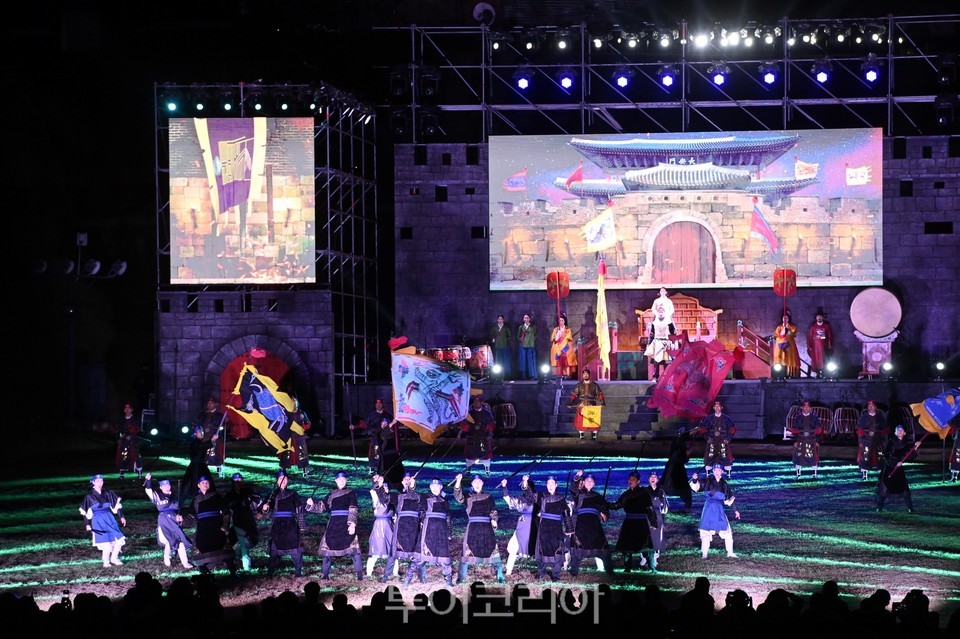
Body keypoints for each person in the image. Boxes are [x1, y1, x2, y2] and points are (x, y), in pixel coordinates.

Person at [306, 470, 364, 580]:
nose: (341, 481)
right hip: (333, 525)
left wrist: (352, 524)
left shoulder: (350, 493)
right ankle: (325, 575)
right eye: (339, 479)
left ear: (346, 481)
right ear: (335, 481)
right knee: (327, 550)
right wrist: (311, 504)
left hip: (346, 523)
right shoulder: (330, 494)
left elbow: (353, 509)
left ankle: (360, 574)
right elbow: (321, 507)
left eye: (343, 479)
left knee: (354, 550)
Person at [452, 473, 504, 584]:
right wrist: (458, 481)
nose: (477, 484)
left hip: (486, 527)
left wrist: (494, 520)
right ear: (472, 484)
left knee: (492, 550)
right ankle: (461, 577)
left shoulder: (488, 497)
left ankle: (500, 576)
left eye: (479, 482)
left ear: (482, 483)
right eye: (475, 482)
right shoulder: (468, 497)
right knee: (467, 552)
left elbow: (493, 510)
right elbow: (457, 496)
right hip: (473, 528)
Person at [374, 471, 425, 583]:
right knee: (393, 553)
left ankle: (422, 577)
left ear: (413, 481)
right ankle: (385, 576)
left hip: (414, 527)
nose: (407, 481)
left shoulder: (419, 497)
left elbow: (423, 511)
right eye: (405, 479)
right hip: (400, 527)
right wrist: (380, 485)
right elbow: (384, 498)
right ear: (402, 482)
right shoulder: (398, 496)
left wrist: (422, 523)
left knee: (417, 552)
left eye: (409, 479)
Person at [406, 477, 454, 587]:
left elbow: (448, 518)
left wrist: (449, 533)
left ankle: (448, 581)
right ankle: (407, 580)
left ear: (441, 487)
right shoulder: (424, 497)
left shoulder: (445, 501)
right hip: (428, 531)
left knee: (444, 557)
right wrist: (412, 485)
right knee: (419, 558)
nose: (435, 488)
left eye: (437, 486)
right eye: (433, 486)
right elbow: (412, 496)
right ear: (430, 487)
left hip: (441, 533)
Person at [523, 473, 571, 580]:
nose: (550, 486)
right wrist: (525, 482)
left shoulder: (560, 498)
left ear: (556, 485)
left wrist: (569, 528)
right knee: (542, 549)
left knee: (557, 549)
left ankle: (556, 575)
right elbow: (530, 495)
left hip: (556, 528)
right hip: (544, 527)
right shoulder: (541, 496)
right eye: (548, 483)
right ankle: (541, 573)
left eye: (552, 483)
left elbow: (566, 513)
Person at [607, 471, 656, 572]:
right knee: (626, 546)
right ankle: (627, 567)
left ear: (638, 481)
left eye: (633, 479)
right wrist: (605, 504)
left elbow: (650, 508)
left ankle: (652, 566)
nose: (630, 481)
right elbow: (617, 505)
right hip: (629, 523)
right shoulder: (626, 494)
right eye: (629, 479)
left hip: (641, 523)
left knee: (645, 545)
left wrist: (653, 522)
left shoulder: (643, 493)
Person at [261, 470, 308, 576]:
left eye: (285, 479)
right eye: (281, 479)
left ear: (288, 481)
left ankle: (298, 571)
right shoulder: (272, 494)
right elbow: (265, 511)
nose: (283, 481)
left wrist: (302, 526)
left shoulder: (293, 494)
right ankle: (270, 572)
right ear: (277, 481)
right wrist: (265, 508)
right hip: (277, 525)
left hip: (290, 524)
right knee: (274, 549)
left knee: (295, 548)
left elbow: (299, 510)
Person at [689, 464, 741, 558]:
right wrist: (695, 479)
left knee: (727, 531)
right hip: (708, 509)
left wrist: (736, 510)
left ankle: (730, 553)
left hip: (719, 509)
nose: (717, 472)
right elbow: (697, 487)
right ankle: (704, 554)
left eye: (719, 470)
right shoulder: (707, 481)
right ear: (713, 471)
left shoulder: (724, 484)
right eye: (715, 470)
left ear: (722, 472)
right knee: (705, 531)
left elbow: (729, 498)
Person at [191, 475, 238, 578]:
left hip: (216, 526)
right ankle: (204, 573)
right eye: (203, 483)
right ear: (198, 485)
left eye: (207, 482)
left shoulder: (216, 496)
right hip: (202, 528)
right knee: (199, 548)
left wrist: (225, 526)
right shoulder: (195, 499)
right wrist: (181, 517)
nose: (205, 484)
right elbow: (191, 514)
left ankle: (233, 572)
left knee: (224, 548)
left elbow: (226, 512)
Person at [567, 470, 613, 576]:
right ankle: (574, 570)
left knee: (602, 546)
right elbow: (573, 488)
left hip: (594, 524)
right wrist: (577, 477)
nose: (589, 482)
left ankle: (609, 570)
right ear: (583, 482)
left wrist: (604, 514)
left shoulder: (598, 496)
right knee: (579, 546)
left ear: (594, 484)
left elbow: (604, 508)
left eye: (591, 481)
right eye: (587, 480)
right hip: (581, 523)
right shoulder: (578, 494)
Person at [143, 473, 193, 569]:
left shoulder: (175, 496)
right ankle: (167, 557)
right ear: (161, 487)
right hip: (164, 520)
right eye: (164, 486)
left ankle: (185, 562)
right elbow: (148, 490)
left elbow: (180, 508)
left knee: (180, 541)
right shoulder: (157, 496)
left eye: (168, 485)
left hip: (174, 520)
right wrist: (148, 480)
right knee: (168, 540)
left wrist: (180, 515)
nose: (167, 487)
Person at [79, 474, 126, 567]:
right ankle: (106, 562)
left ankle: (114, 558)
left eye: (101, 481)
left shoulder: (108, 493)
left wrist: (121, 516)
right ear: (93, 483)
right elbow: (86, 512)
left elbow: (116, 505)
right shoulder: (89, 496)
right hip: (98, 520)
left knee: (119, 539)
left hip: (109, 518)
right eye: (97, 481)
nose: (100, 483)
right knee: (105, 542)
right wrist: (87, 524)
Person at [876, 425, 921, 513]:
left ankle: (910, 508)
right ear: (895, 433)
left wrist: (915, 448)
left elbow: (908, 455)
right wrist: (895, 463)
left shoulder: (905, 443)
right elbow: (886, 455)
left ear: (904, 433)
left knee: (905, 489)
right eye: (898, 430)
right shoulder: (891, 442)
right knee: (884, 488)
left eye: (901, 430)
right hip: (889, 468)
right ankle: (879, 507)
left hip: (899, 469)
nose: (900, 431)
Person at [500, 476, 537, 576]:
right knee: (513, 547)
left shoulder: (537, 499)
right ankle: (508, 571)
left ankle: (548, 570)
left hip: (533, 526)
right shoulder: (520, 499)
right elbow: (507, 499)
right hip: (521, 526)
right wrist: (504, 487)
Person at [224, 472, 261, 571]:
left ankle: (234, 553)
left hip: (249, 521)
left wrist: (261, 511)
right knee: (244, 543)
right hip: (238, 522)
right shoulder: (229, 496)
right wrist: (226, 524)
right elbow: (225, 511)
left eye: (240, 480)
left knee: (254, 541)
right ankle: (247, 566)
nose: (238, 482)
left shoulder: (248, 492)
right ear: (232, 482)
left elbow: (258, 501)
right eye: (236, 480)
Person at [692, 400, 737, 477]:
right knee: (710, 456)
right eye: (715, 407)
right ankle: (708, 474)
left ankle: (728, 474)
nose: (717, 408)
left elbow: (733, 429)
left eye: (718, 407)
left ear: (721, 407)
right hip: (712, 441)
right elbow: (703, 429)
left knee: (724, 456)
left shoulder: (726, 418)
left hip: (723, 441)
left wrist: (728, 439)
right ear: (713, 408)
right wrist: (707, 438)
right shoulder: (709, 418)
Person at [366, 473, 398, 579]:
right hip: (379, 526)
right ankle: (369, 573)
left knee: (392, 549)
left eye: (386, 487)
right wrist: (377, 482)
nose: (385, 489)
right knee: (376, 548)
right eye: (383, 488)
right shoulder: (376, 499)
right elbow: (373, 491)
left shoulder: (392, 501)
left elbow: (396, 515)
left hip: (389, 526)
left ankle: (395, 572)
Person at [179, 425, 215, 515]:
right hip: (195, 467)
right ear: (195, 434)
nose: (201, 433)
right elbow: (201, 447)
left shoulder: (198, 442)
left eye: (202, 431)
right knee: (191, 486)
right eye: (199, 431)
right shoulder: (194, 442)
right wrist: (211, 441)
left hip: (200, 466)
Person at [644, 288, 678, 381]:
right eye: (659, 312)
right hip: (657, 342)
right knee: (656, 360)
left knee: (667, 361)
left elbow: (673, 334)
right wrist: (649, 344)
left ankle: (666, 377)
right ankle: (656, 377)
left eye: (662, 312)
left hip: (666, 342)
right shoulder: (654, 323)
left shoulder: (669, 322)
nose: (661, 313)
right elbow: (652, 334)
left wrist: (674, 344)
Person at [353, 398, 392, 475]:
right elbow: (364, 424)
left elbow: (391, 425)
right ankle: (373, 467)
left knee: (385, 452)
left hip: (385, 437)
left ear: (382, 404)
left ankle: (385, 466)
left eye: (380, 403)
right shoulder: (371, 415)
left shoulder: (387, 415)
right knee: (374, 452)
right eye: (377, 404)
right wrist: (354, 427)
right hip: (375, 437)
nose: (378, 405)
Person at [462, 393, 496, 475]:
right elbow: (465, 425)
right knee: (470, 455)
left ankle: (487, 471)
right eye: (475, 401)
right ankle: (468, 470)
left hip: (483, 437)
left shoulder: (486, 413)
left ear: (481, 402)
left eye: (478, 401)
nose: (476, 403)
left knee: (485, 455)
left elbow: (491, 424)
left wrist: (488, 433)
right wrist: (468, 427)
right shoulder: (470, 413)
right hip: (472, 437)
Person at [661, 427, 694, 511]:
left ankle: (687, 506)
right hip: (674, 468)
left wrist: (687, 454)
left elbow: (683, 459)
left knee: (683, 487)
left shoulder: (680, 442)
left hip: (677, 467)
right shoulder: (678, 440)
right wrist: (697, 429)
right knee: (675, 485)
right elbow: (681, 458)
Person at [789, 401, 823, 480]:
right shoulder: (797, 418)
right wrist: (795, 441)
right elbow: (794, 431)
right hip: (800, 440)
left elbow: (819, 430)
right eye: (805, 407)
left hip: (812, 440)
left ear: (810, 408)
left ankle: (815, 474)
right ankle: (798, 474)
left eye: (808, 407)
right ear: (802, 408)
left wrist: (817, 441)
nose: (806, 408)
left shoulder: (815, 418)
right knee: (799, 458)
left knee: (813, 457)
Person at [856, 399, 889, 481]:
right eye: (869, 406)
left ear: (875, 407)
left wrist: (885, 441)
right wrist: (860, 441)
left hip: (878, 441)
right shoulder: (863, 418)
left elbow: (885, 430)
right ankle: (864, 475)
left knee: (880, 457)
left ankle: (881, 475)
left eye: (872, 406)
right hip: (866, 441)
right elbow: (859, 431)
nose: (870, 407)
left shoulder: (880, 418)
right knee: (865, 457)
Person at [194, 397, 226, 478]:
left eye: (211, 403)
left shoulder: (219, 415)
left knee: (217, 454)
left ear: (215, 404)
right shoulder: (202, 415)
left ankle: (219, 472)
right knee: (204, 455)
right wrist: (198, 431)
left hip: (215, 437)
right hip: (204, 438)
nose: (209, 405)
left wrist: (225, 423)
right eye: (208, 403)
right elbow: (196, 424)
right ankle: (204, 471)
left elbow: (225, 426)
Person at [569, 368, 605, 441]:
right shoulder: (579, 385)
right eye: (584, 374)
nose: (585, 375)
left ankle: (594, 435)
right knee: (580, 420)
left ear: (589, 375)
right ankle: (581, 435)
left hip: (591, 405)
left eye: (587, 374)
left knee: (593, 420)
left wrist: (603, 402)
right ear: (582, 375)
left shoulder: (594, 385)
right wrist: (570, 403)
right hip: (581, 405)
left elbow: (600, 394)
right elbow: (574, 395)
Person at [279, 396, 311, 477]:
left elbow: (308, 424)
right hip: (289, 437)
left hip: (299, 437)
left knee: (302, 454)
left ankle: (305, 470)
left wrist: (302, 426)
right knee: (286, 454)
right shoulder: (286, 413)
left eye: (295, 402)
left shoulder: (301, 413)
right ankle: (283, 471)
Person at [645, 471, 669, 568]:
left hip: (658, 516)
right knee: (646, 536)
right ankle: (644, 556)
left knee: (657, 537)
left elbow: (665, 507)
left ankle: (655, 558)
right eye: (651, 476)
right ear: (648, 479)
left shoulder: (661, 492)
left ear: (657, 479)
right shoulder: (644, 491)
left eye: (655, 477)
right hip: (647, 516)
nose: (653, 478)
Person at [115, 402, 143, 481]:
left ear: (131, 410)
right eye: (126, 408)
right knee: (123, 457)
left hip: (133, 442)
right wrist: (119, 438)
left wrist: (132, 436)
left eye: (129, 408)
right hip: (124, 443)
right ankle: (122, 475)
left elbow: (138, 430)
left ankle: (140, 474)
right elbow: (118, 431)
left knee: (137, 457)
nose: (127, 410)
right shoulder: (121, 420)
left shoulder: (135, 420)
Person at [805, 310, 834, 377]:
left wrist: (830, 345)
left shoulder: (826, 326)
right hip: (816, 348)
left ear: (823, 317)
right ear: (816, 318)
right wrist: (810, 346)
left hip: (824, 347)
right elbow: (810, 337)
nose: (819, 318)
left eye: (820, 317)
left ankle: (825, 372)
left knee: (825, 360)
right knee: (816, 360)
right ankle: (817, 373)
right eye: (818, 317)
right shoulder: (813, 327)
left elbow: (830, 336)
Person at [772, 312, 800, 378]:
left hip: (789, 346)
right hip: (781, 346)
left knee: (790, 358)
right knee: (780, 358)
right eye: (784, 318)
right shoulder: (779, 328)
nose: (785, 319)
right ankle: (780, 373)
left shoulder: (792, 327)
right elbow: (776, 336)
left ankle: (790, 373)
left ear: (789, 319)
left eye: (786, 318)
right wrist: (782, 333)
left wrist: (788, 331)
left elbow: (793, 335)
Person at [550, 313, 577, 379]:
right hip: (557, 348)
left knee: (565, 360)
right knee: (558, 360)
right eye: (560, 321)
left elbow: (568, 338)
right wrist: (557, 336)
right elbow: (552, 338)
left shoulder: (568, 330)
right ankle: (558, 374)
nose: (561, 322)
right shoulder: (556, 330)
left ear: (564, 321)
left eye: (562, 320)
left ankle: (566, 374)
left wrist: (562, 344)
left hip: (565, 347)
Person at [490, 313, 512, 378]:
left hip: (504, 345)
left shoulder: (506, 328)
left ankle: (506, 374)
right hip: (497, 346)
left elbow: (509, 336)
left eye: (501, 319)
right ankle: (497, 374)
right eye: (499, 319)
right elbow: (492, 335)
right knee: (497, 360)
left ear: (503, 320)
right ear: (497, 320)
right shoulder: (494, 328)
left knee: (505, 361)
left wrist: (506, 340)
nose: (500, 320)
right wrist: (493, 340)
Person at [517, 313, 538, 380]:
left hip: (530, 345)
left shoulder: (533, 327)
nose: (526, 319)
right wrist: (522, 340)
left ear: (529, 319)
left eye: (527, 318)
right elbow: (518, 336)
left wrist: (531, 340)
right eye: (525, 318)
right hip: (523, 345)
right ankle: (523, 375)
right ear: (523, 319)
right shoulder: (521, 327)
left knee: (530, 361)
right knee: (523, 361)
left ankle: (532, 375)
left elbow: (535, 335)